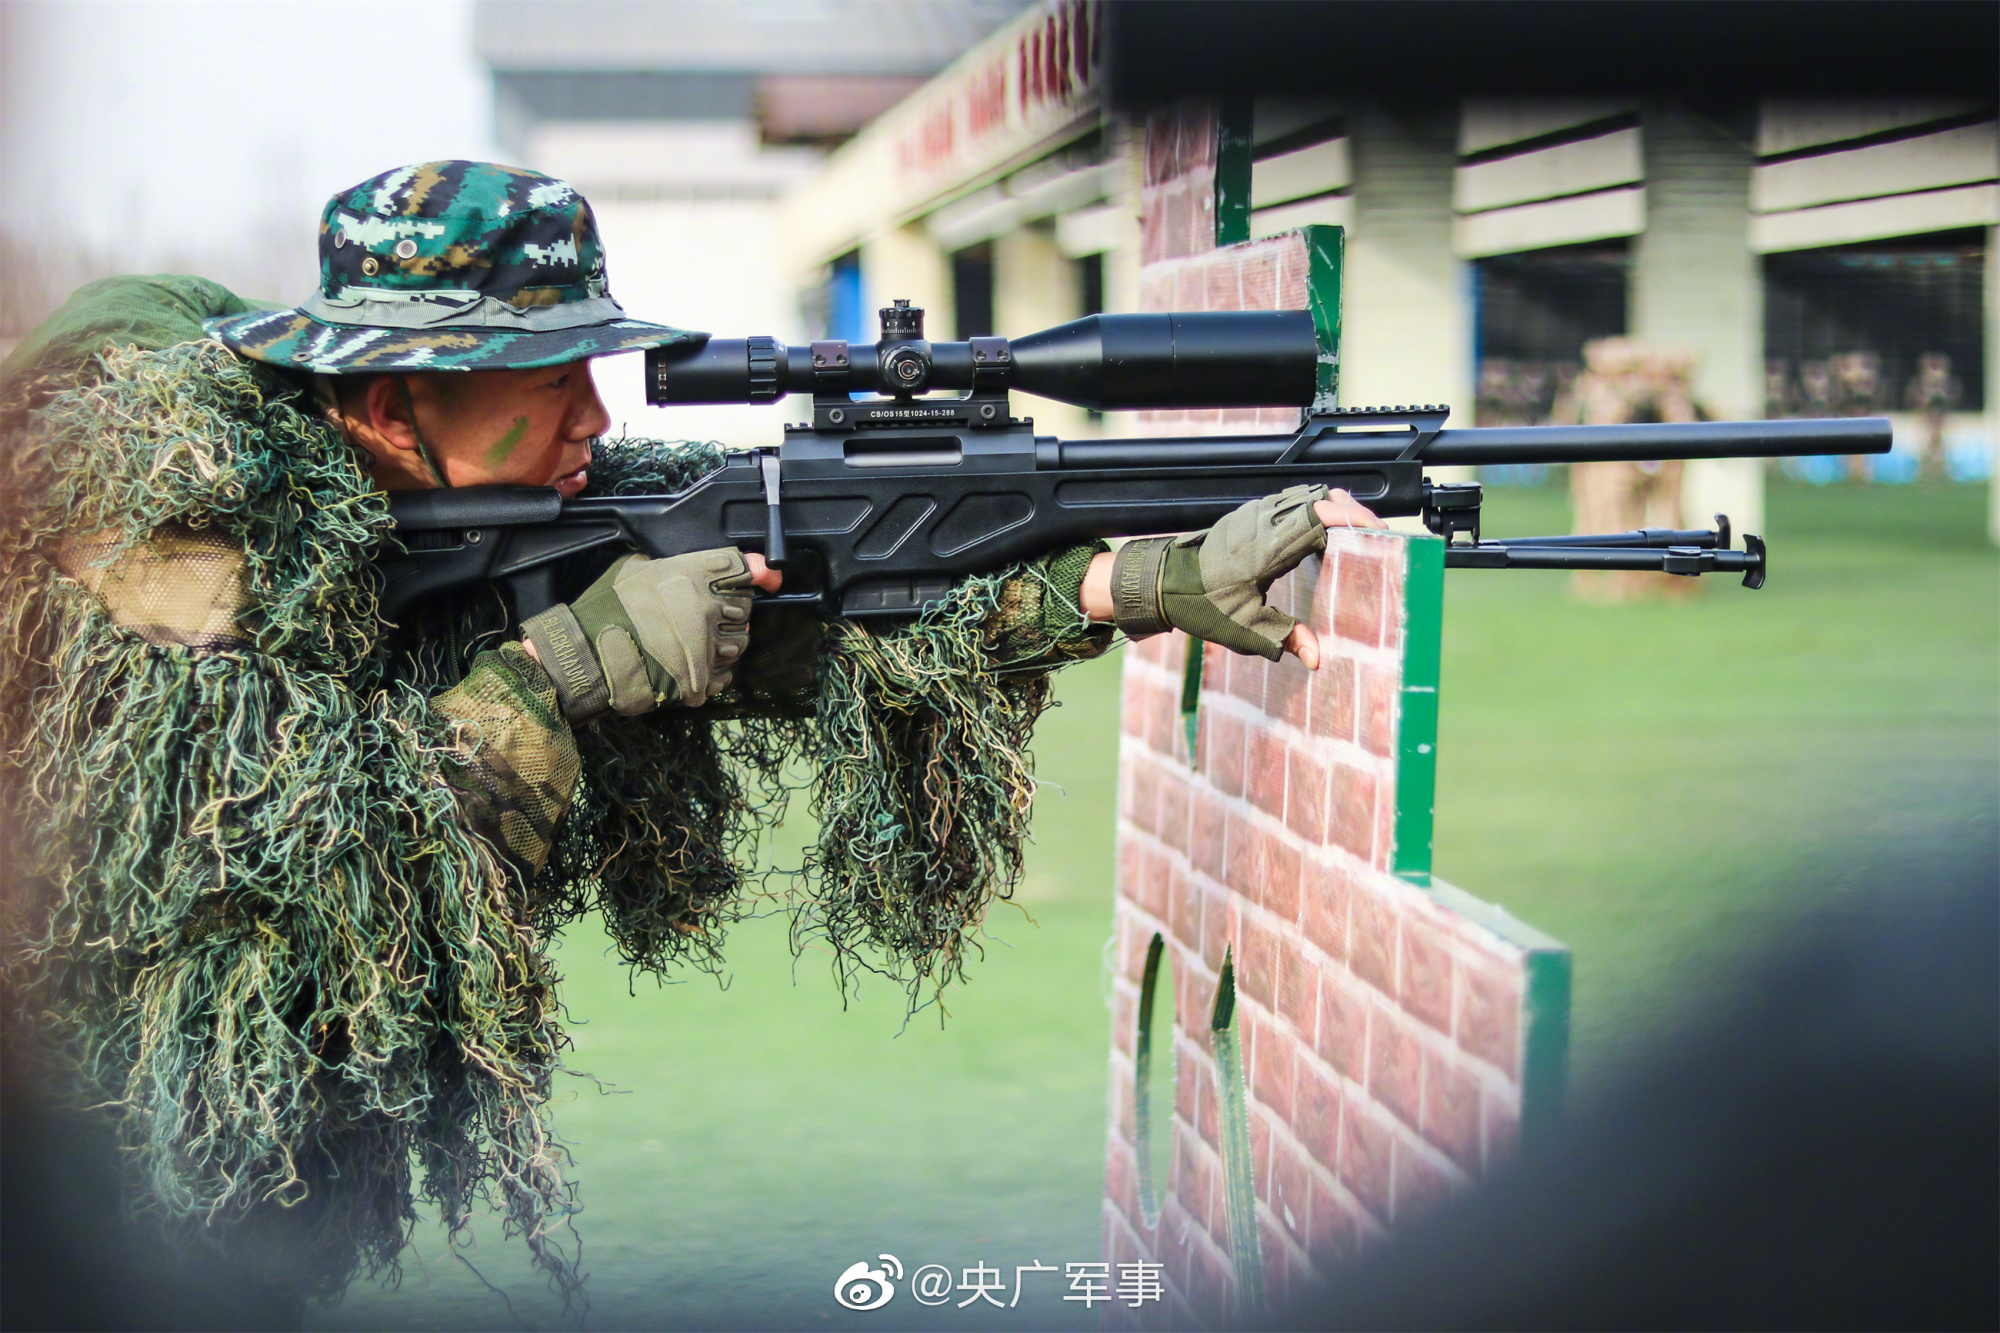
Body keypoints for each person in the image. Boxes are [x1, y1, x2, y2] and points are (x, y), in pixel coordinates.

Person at [0, 160, 1379, 1312]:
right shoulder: (151, 549)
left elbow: (831, 604)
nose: (596, 417)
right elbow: (283, 865)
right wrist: (567, 668)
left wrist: (1130, 581)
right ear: (385, 401)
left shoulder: (489, 507)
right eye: (542, 379)